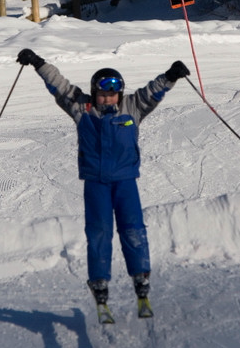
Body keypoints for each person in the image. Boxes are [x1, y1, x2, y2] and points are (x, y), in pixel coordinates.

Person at [16, 48, 190, 308]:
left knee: (133, 230)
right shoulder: (82, 108)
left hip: (125, 182)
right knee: (98, 232)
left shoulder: (132, 107)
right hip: (95, 183)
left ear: (119, 95)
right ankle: (98, 280)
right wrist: (38, 63)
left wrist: (170, 76)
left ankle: (140, 275)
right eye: (102, 95)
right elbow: (59, 85)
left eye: (112, 95)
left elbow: (153, 91)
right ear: (94, 93)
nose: (107, 100)